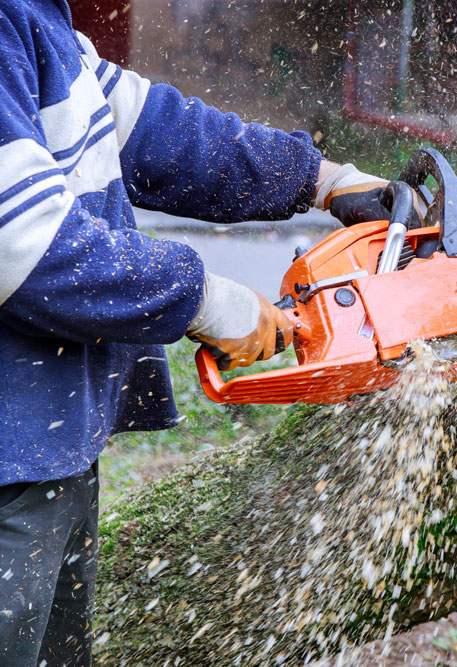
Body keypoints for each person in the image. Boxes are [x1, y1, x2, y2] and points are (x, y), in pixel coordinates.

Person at [0, 2, 401, 664]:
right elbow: (26, 246)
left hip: (50, 450)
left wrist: (321, 179)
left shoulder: (33, 16)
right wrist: (203, 299)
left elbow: (141, 125)